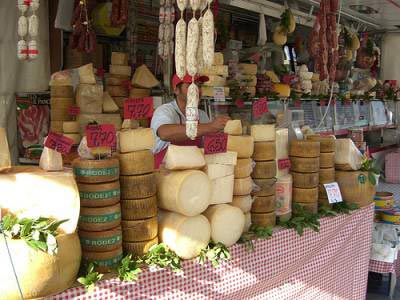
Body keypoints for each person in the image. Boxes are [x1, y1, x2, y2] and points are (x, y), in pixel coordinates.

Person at [151, 73, 230, 168]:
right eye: (191, 86)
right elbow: (164, 133)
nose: (196, 90)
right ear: (176, 90)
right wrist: (210, 127)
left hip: (193, 173)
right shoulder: (165, 111)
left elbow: (209, 147)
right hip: (165, 173)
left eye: (199, 85)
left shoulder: (201, 115)